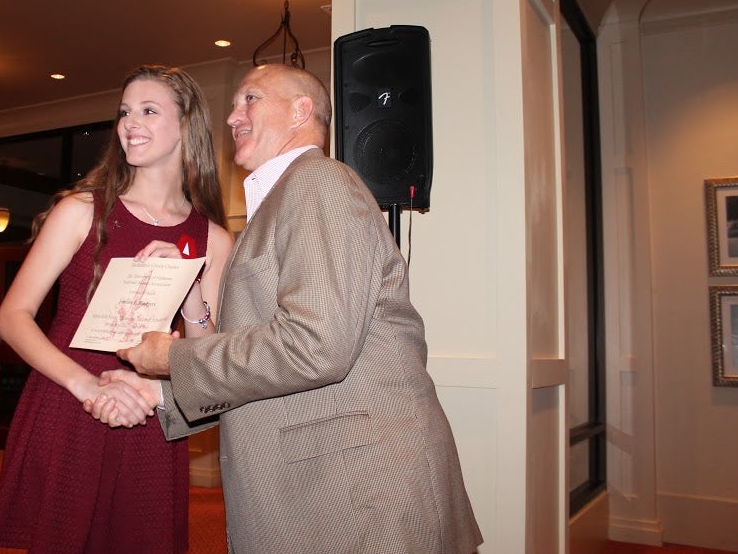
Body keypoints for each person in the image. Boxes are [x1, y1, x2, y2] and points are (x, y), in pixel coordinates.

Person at [91, 63, 483, 553]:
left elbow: (316, 345)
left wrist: (169, 360)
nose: (233, 115)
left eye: (250, 99)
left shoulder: (318, 182)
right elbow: (271, 367)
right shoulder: (283, 201)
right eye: (234, 103)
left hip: (360, 495)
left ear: (302, 110)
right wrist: (160, 396)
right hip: (329, 489)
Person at [0, 64, 234, 553]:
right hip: (69, 400)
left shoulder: (213, 239)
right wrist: (85, 385)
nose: (128, 124)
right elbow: (12, 317)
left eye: (148, 111)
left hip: (148, 412)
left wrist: (192, 291)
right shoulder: (81, 210)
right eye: (124, 112)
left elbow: (206, 363)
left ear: (186, 126)